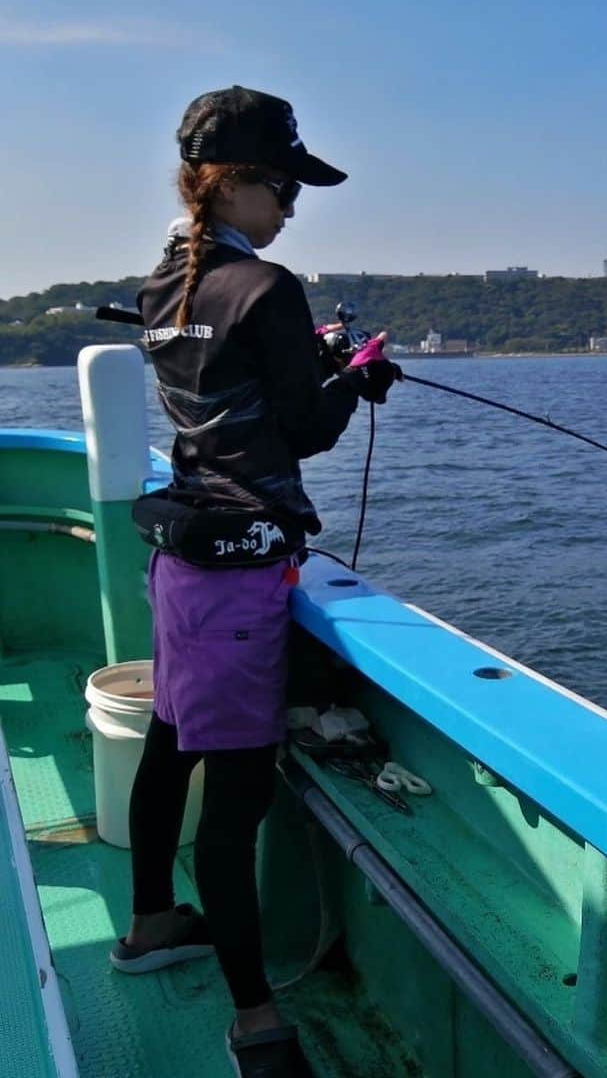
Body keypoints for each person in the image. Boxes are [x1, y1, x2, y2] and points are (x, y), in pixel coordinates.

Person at [109, 85, 398, 1078]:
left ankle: (151, 923)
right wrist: (355, 378)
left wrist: (311, 368)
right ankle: (256, 1023)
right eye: (284, 187)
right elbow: (303, 430)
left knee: (166, 746)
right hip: (239, 580)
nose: (291, 207)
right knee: (234, 811)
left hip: (182, 568)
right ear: (236, 184)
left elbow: (224, 394)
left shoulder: (163, 284)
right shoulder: (268, 287)